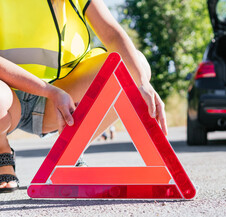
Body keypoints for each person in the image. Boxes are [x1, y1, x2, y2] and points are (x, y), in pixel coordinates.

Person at [0, 0, 168, 193]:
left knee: (136, 65)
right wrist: (48, 90)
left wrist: (142, 83)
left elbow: (112, 34)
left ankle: (69, 150)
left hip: (62, 95)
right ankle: (1, 151)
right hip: (9, 94)